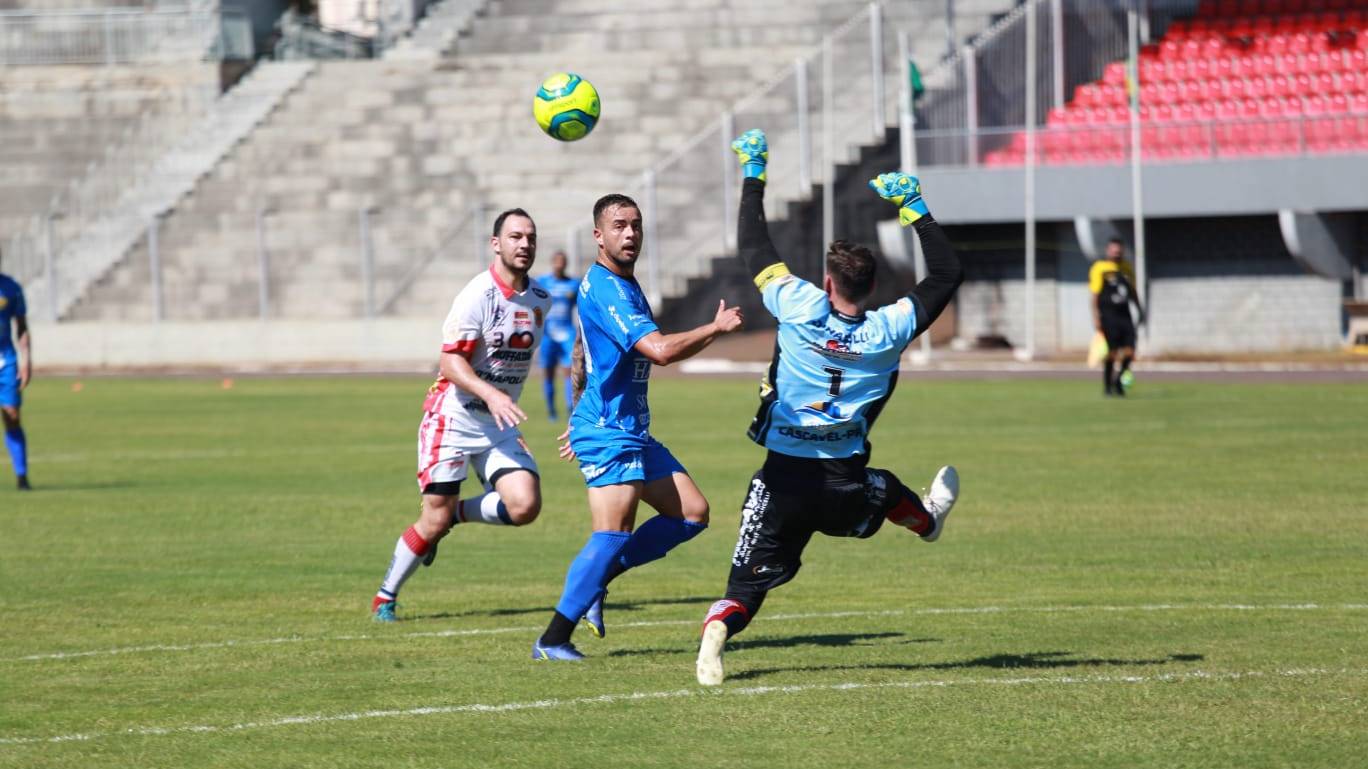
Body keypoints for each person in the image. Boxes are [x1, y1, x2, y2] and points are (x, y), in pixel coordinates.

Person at [694, 130, 964, 686]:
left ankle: (717, 633)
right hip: (842, 483)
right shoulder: (889, 329)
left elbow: (754, 246)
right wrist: (913, 206)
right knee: (883, 488)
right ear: (872, 287)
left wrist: (754, 171)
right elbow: (945, 275)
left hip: (782, 479)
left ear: (826, 282)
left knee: (744, 589)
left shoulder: (796, 305)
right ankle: (928, 523)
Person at [531, 193, 744, 661]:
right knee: (613, 532)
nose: (630, 234)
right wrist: (714, 328)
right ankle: (552, 638)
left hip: (625, 426)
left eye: (636, 225)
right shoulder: (607, 287)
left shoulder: (623, 284)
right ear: (598, 236)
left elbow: (583, 355)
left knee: (692, 513)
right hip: (610, 430)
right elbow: (662, 351)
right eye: (619, 225)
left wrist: (576, 410)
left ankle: (597, 583)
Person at [370, 209, 552, 621]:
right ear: (496, 244)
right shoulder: (476, 296)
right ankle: (386, 596)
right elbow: (450, 364)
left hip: (496, 425)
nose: (525, 245)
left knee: (525, 506)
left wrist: (502, 409)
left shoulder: (541, 300)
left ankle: (456, 514)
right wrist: (494, 396)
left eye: (531, 238)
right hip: (452, 418)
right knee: (431, 520)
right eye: (515, 237)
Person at [1089, 238, 1146, 397]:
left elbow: (1132, 291)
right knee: (1112, 352)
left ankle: (1118, 381)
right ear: (1108, 251)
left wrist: (1140, 309)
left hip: (1125, 315)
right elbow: (1094, 295)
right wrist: (1096, 317)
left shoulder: (1127, 268)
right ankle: (1108, 386)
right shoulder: (1100, 268)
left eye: (1119, 250)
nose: (1117, 253)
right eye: (1114, 250)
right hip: (1108, 316)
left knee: (1130, 352)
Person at [535, 251, 579, 421]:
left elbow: (581, 307)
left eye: (563, 261)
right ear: (552, 263)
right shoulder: (542, 283)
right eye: (557, 261)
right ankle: (551, 409)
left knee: (569, 371)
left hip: (566, 333)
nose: (559, 265)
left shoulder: (573, 284)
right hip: (548, 335)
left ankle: (570, 407)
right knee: (548, 372)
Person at [0, 250, 32, 491]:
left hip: (6, 361)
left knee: (11, 416)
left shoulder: (10, 288)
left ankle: (22, 477)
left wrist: (26, 360)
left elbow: (20, 326)